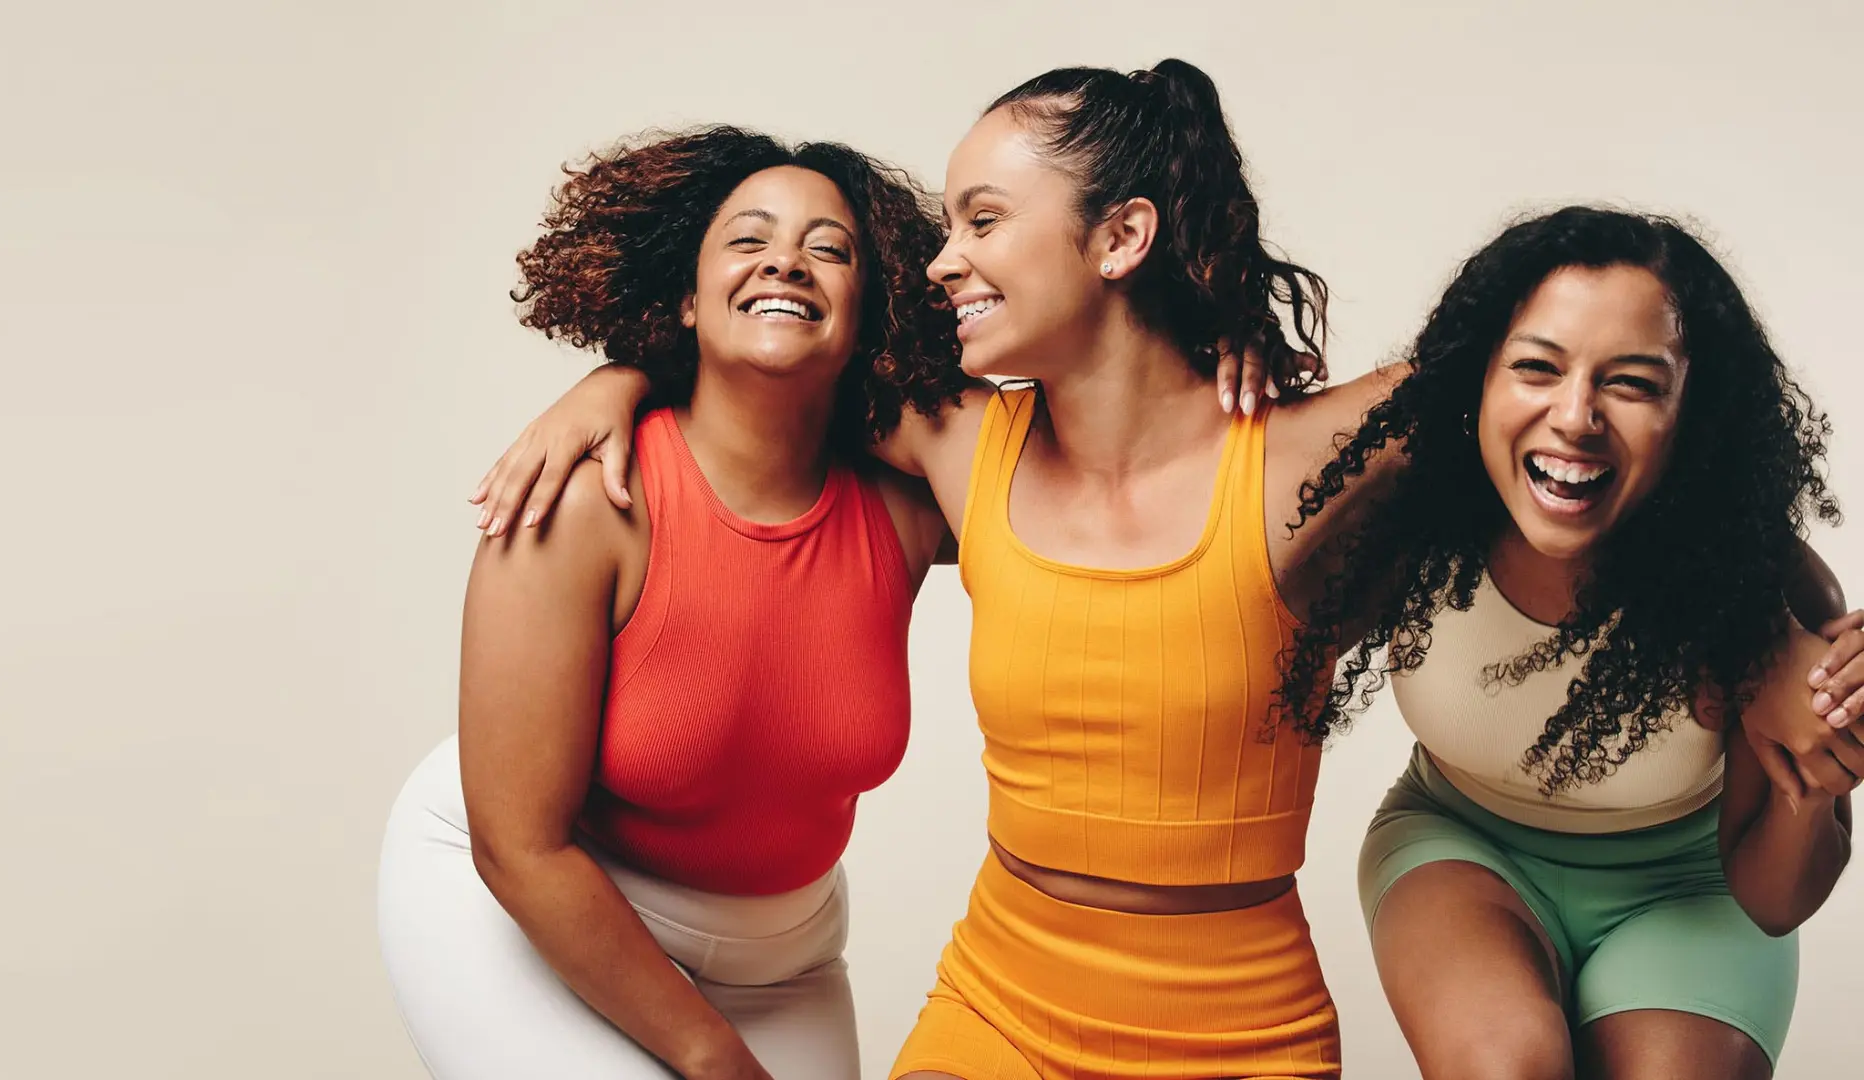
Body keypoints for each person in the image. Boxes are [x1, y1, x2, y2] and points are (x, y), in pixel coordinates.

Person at [465, 62, 1861, 1080]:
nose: (942, 262)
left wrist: (1792, 629)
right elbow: (769, 357)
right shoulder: (954, 437)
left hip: (1240, 1026)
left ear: (1121, 238)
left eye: (982, 221)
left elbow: (1579, 420)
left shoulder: (1312, 461)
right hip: (1000, 1006)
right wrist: (615, 382)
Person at [377, 126, 978, 1080]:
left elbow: (1093, 450)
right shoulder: (587, 501)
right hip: (530, 896)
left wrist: (1211, 338)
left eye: (829, 249)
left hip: (784, 957)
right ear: (688, 299)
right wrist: (709, 1056)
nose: (786, 260)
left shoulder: (908, 509)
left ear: (872, 312)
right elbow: (518, 846)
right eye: (748, 239)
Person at [1275, 207, 1856, 1079]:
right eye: (1537, 368)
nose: (1575, 416)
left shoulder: (1763, 590)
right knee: (1511, 1065)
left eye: (1633, 383)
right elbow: (1228, 563)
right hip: (1462, 848)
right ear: (1476, 378)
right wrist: (1222, 366)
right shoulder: (1410, 520)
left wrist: (1817, 779)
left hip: (1691, 889)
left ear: (1693, 410)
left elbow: (1774, 902)